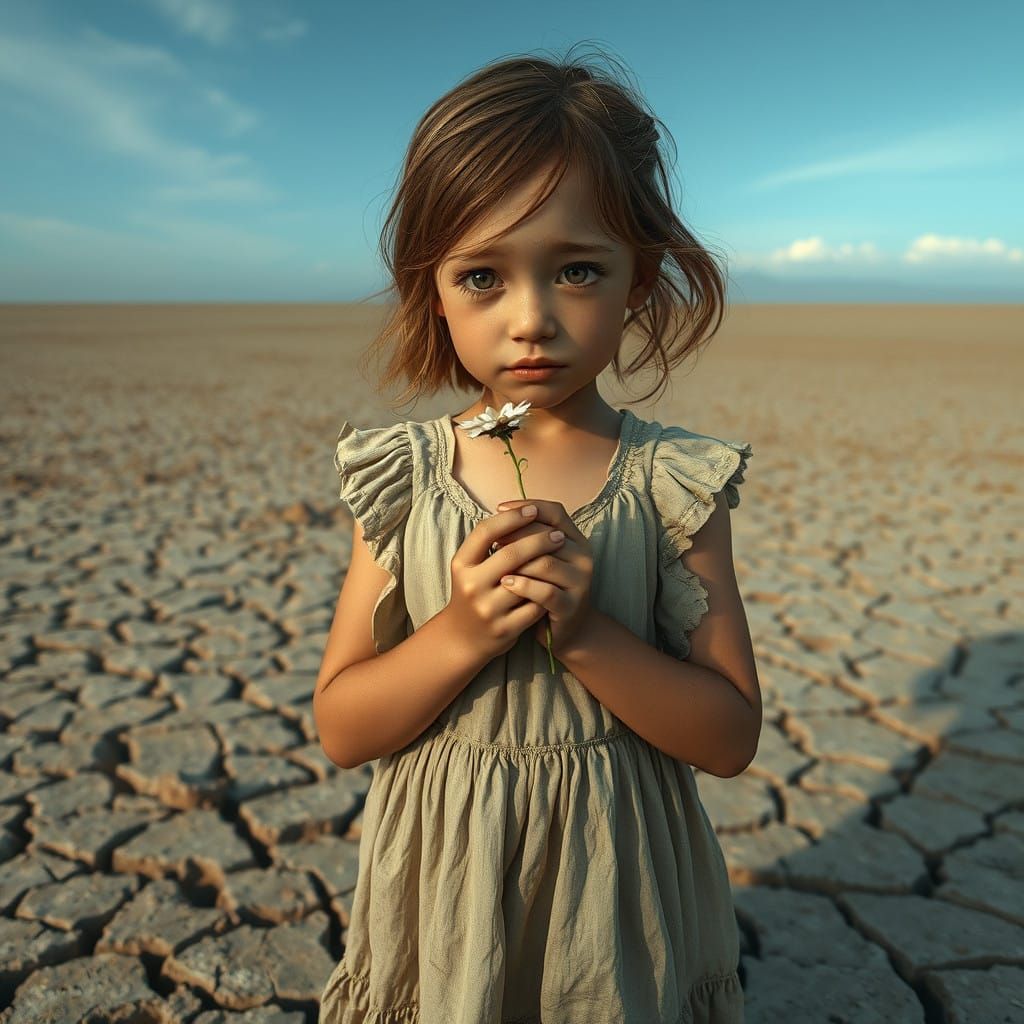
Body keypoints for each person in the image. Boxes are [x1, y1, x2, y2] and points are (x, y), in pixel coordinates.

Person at [315, 44, 759, 1024]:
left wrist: (590, 636)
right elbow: (344, 726)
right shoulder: (404, 480)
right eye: (481, 275)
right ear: (427, 286)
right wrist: (461, 633)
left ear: (640, 279)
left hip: (617, 902)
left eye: (575, 270)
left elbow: (728, 736)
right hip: (448, 899)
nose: (530, 320)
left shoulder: (671, 485)